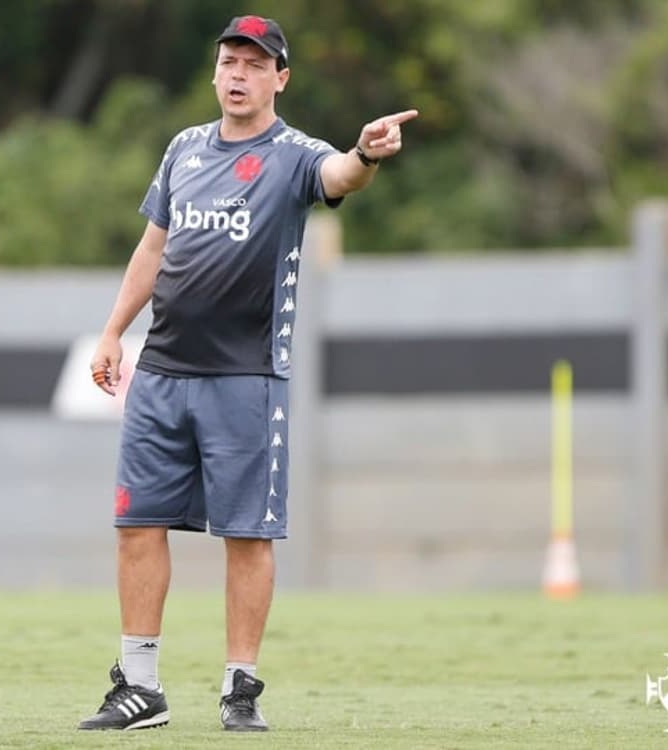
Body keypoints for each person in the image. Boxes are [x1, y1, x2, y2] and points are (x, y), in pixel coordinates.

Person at [78, 14, 416, 732]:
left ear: (279, 79)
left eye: (255, 65)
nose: (238, 74)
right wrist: (113, 332)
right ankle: (139, 687)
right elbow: (151, 249)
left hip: (245, 377)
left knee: (247, 534)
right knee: (136, 524)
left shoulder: (295, 155)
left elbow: (339, 175)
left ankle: (240, 688)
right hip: (163, 373)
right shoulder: (183, 150)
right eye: (229, 61)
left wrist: (367, 150)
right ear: (214, 71)